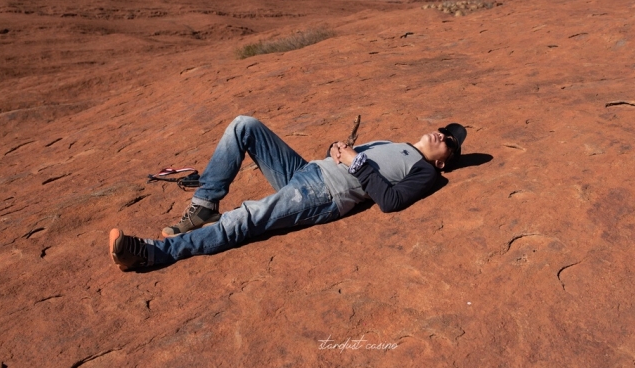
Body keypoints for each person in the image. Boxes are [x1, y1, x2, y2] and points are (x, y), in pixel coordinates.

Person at [109, 115, 467, 271]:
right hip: (307, 171)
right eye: (442, 130)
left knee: (246, 218)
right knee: (244, 125)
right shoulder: (396, 143)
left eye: (448, 141)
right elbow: (347, 157)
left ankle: (151, 254)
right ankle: (203, 206)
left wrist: (355, 162)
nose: (441, 135)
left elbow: (391, 202)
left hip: (325, 194)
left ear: (443, 163)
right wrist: (336, 150)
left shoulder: (425, 173)